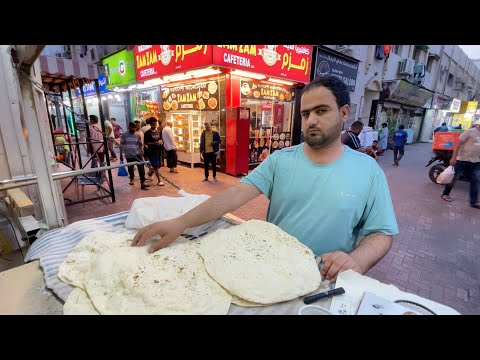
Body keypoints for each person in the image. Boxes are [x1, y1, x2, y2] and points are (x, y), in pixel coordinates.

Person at [132, 75, 398, 282]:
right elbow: (232, 196)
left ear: (344, 113)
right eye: (305, 114)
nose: (311, 121)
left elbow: (381, 233)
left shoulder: (368, 171)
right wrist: (181, 222)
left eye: (321, 111)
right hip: (271, 271)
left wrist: (357, 261)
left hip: (324, 279)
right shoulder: (280, 161)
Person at [441, 119, 480, 208]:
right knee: (454, 178)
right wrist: (453, 158)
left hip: (476, 161)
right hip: (463, 159)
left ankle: (474, 202)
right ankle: (445, 194)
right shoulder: (470, 132)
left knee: (475, 180)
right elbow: (458, 144)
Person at [119, 122, 149, 191]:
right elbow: (121, 145)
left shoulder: (137, 135)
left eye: (135, 128)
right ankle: (131, 178)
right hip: (129, 155)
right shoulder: (124, 135)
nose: (134, 129)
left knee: (141, 168)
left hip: (137, 154)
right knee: (130, 168)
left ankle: (142, 183)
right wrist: (121, 154)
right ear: (129, 127)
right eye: (132, 128)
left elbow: (140, 144)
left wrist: (141, 151)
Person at [144, 118, 165, 187]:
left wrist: (161, 142)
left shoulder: (159, 131)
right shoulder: (147, 133)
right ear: (150, 124)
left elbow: (161, 139)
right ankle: (159, 180)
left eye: (155, 124)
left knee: (159, 165)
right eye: (153, 124)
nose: (155, 126)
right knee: (156, 166)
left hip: (159, 151)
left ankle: (150, 172)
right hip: (152, 152)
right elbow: (146, 142)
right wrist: (154, 143)